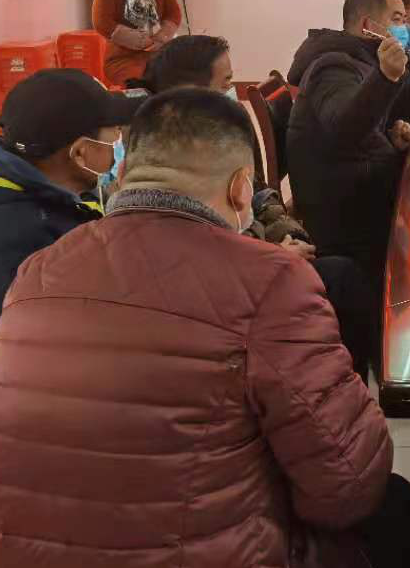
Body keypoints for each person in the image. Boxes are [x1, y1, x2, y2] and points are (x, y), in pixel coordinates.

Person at [0, 88, 410, 568]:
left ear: (123, 172)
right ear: (241, 189)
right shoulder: (269, 280)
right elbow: (347, 485)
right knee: (394, 511)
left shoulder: (37, 271)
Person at [0, 69, 141, 469]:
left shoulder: (42, 199)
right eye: (114, 136)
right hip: (24, 460)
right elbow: (33, 385)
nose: (119, 145)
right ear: (80, 153)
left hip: (65, 407)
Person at [139, 34, 375, 380]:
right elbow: (202, 245)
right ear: (191, 89)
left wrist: (290, 237)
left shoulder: (226, 128)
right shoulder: (163, 151)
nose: (231, 92)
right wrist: (272, 257)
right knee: (342, 279)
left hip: (258, 254)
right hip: (227, 284)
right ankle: (340, 384)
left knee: (342, 270)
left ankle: (345, 380)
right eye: (226, 83)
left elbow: (261, 194)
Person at [286, 0, 410, 324]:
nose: (405, 30)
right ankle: (399, 334)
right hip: (345, 212)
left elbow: (359, 134)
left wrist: (391, 139)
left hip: (360, 188)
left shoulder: (359, 60)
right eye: (398, 20)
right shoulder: (333, 66)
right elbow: (344, 130)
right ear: (367, 26)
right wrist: (387, 77)